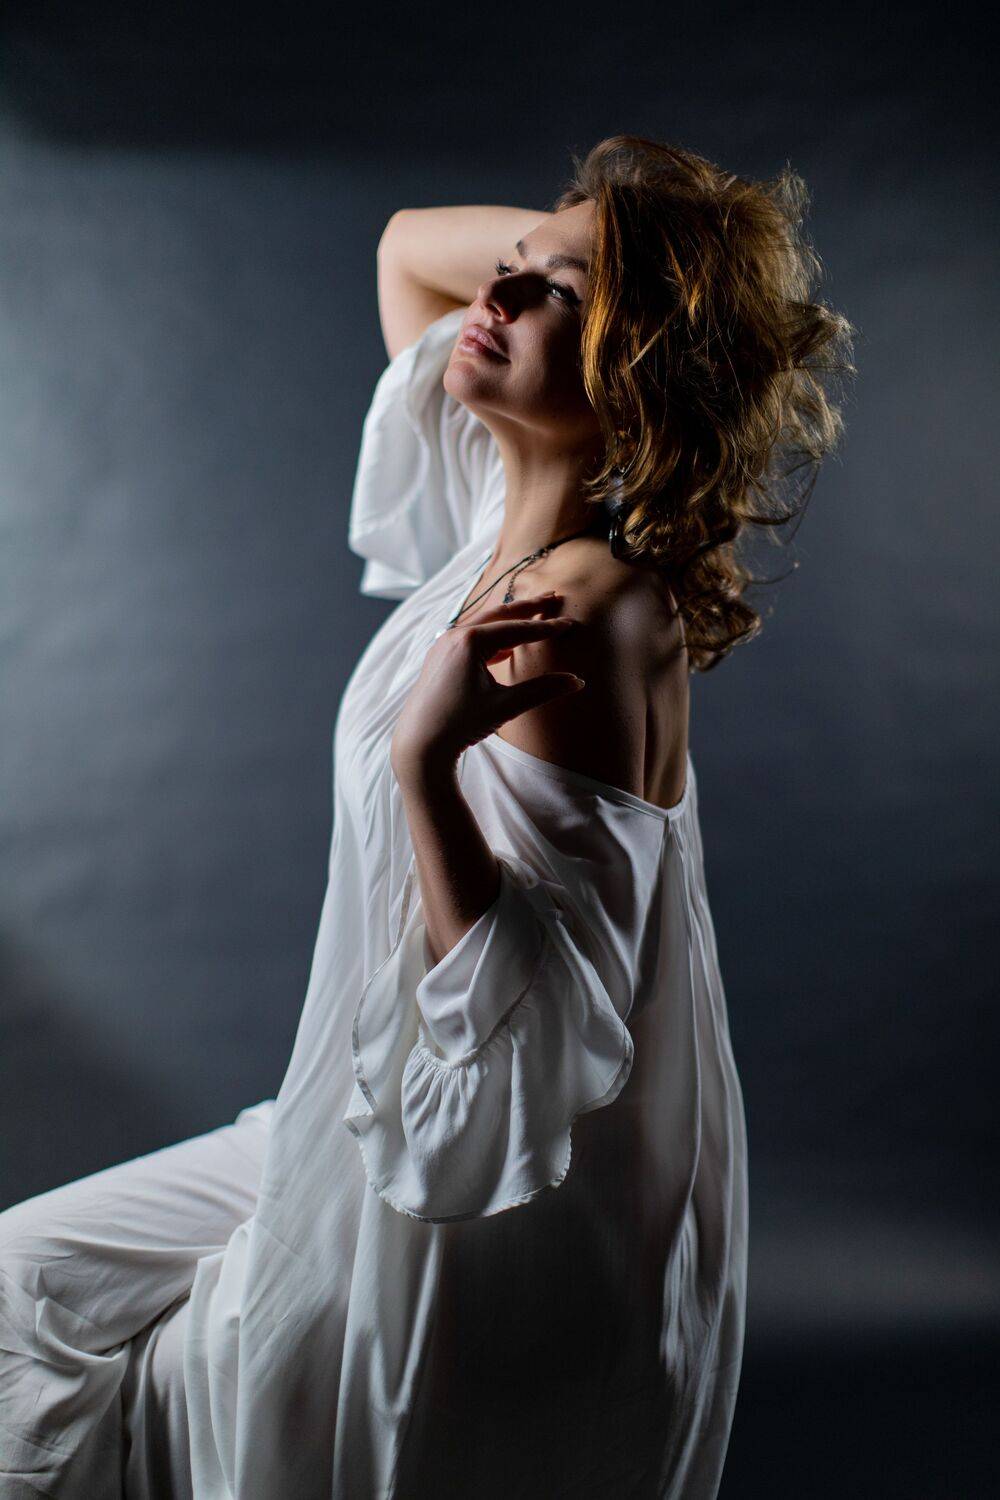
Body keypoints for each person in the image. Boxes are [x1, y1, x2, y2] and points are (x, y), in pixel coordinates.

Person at [0, 135, 854, 1499]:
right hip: (373, 1101)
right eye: (507, 271)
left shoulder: (578, 612)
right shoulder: (500, 509)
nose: (490, 300)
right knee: (26, 1285)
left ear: (634, 370)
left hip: (478, 1176)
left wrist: (424, 765)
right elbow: (409, 245)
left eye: (548, 298)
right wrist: (605, 245)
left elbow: (529, 1030)